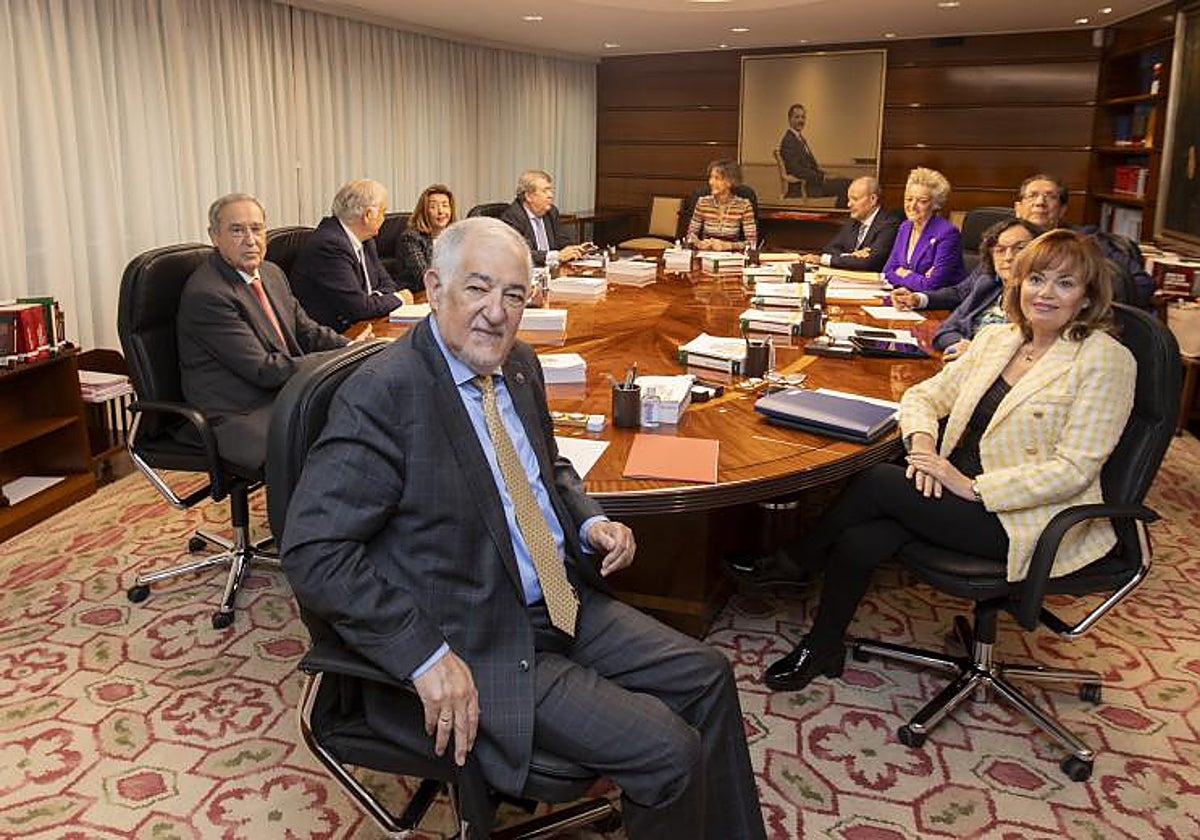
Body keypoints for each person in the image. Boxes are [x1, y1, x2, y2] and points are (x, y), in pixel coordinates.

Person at [280, 217, 767, 840]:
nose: (497, 313)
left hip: (560, 597)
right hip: (476, 633)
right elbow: (315, 550)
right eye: (478, 288)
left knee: (710, 675)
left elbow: (547, 465)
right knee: (668, 752)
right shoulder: (385, 392)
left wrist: (589, 521)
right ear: (435, 288)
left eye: (514, 295)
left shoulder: (519, 365)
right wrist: (424, 655)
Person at [761, 229, 1136, 693]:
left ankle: (795, 562)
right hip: (951, 484)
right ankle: (822, 646)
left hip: (1024, 516)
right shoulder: (998, 339)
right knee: (862, 538)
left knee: (876, 480)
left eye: (1065, 283)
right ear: (1019, 284)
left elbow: (1074, 469)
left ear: (1087, 297)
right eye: (1037, 279)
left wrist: (970, 487)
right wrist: (922, 450)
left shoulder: (1106, 360)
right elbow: (924, 395)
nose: (1045, 293)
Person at [177, 193, 349, 469]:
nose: (250, 240)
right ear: (214, 236)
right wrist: (336, 362)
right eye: (237, 230)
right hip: (240, 411)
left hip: (281, 392)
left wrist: (352, 348)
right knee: (336, 441)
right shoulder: (208, 294)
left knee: (362, 414)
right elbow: (264, 370)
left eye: (256, 229)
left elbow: (308, 332)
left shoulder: (271, 273)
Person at [893, 174, 1154, 308]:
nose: (1040, 202)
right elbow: (963, 291)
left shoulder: (1087, 243)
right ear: (1018, 208)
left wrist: (1082, 296)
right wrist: (920, 298)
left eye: (1050, 197)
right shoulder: (1005, 243)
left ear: (1063, 209)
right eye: (1033, 196)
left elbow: (1140, 285)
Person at [289, 179, 412, 332]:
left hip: (366, 325)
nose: (384, 218)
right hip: (337, 335)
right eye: (383, 212)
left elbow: (388, 284)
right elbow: (359, 308)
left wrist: (373, 301)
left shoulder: (366, 240)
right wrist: (399, 298)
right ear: (368, 215)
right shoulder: (328, 245)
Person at [881, 166, 968, 292]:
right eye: (909, 199)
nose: (912, 206)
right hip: (905, 296)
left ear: (935, 204)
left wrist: (904, 273)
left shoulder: (947, 233)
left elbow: (932, 285)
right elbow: (887, 272)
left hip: (938, 302)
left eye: (922, 201)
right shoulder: (905, 227)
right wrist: (917, 278)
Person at [798, 176, 903, 272]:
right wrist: (851, 256)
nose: (849, 204)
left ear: (873, 199)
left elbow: (869, 262)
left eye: (855, 199)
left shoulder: (889, 224)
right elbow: (829, 249)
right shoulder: (853, 222)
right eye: (849, 199)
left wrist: (823, 259)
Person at [500, 169, 587, 267]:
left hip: (552, 270)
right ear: (529, 196)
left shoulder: (551, 212)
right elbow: (522, 254)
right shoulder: (513, 217)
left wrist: (575, 249)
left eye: (550, 190)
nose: (551, 195)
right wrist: (557, 256)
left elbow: (562, 241)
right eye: (545, 191)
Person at [778, 103, 852, 207]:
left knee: (848, 182)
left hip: (813, 182)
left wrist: (827, 175)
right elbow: (796, 170)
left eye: (803, 117)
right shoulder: (788, 141)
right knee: (847, 185)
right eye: (797, 117)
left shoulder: (799, 139)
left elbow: (812, 166)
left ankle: (838, 214)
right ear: (789, 119)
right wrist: (822, 177)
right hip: (805, 186)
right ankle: (839, 215)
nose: (801, 120)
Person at [685, 159, 758, 252]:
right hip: (706, 254)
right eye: (711, 177)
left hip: (732, 257)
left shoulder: (744, 205)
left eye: (717, 178)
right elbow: (690, 236)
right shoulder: (702, 202)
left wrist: (727, 245)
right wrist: (698, 243)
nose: (711, 182)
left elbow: (752, 243)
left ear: (730, 181)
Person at [396, 184, 457, 293]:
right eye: (433, 207)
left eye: (445, 205)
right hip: (417, 295)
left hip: (447, 291)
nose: (441, 211)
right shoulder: (411, 238)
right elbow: (424, 277)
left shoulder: (455, 236)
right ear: (424, 211)